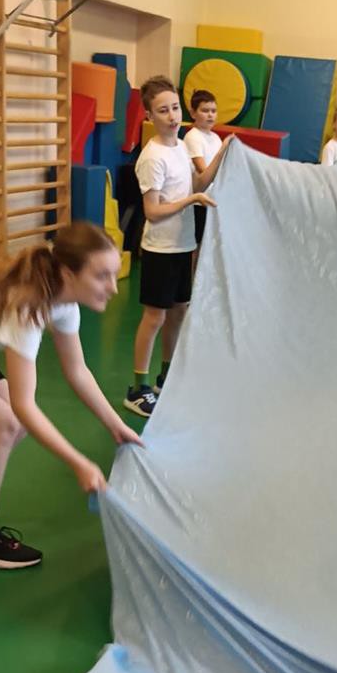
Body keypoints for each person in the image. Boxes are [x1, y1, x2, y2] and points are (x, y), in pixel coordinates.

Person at [0, 222, 141, 569]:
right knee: (4, 423)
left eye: (113, 273)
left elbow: (77, 371)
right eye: (101, 276)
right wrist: (78, 462)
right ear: (69, 274)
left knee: (12, 425)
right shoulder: (29, 306)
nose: (113, 287)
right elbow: (24, 405)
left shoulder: (64, 303)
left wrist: (115, 425)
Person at [125, 76, 221, 417]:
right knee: (155, 317)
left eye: (176, 108)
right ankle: (138, 388)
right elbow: (152, 211)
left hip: (183, 244)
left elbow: (198, 182)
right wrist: (191, 200)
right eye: (163, 110)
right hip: (160, 249)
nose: (172, 116)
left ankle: (165, 379)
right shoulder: (152, 157)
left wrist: (222, 154)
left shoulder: (181, 146)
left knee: (179, 311)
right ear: (149, 116)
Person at [183, 88, 222, 261]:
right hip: (198, 201)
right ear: (193, 113)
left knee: (207, 246)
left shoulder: (216, 138)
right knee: (196, 245)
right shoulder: (193, 137)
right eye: (205, 110)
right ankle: (192, 278)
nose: (210, 115)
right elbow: (203, 169)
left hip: (212, 199)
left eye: (213, 111)